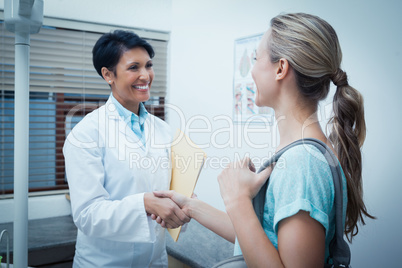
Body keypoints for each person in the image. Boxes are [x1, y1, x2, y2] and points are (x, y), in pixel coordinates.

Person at [152, 13, 374, 267]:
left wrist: (236, 200)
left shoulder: (303, 164)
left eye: (256, 58)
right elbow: (264, 240)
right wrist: (192, 207)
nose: (253, 70)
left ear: (281, 68)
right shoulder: (302, 154)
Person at [63, 30, 189, 267]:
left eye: (148, 65)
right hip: (104, 262)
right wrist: (145, 203)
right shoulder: (86, 134)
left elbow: (165, 187)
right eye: (134, 67)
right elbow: (87, 215)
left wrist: (181, 200)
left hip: (154, 260)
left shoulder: (163, 130)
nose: (145, 75)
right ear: (108, 74)